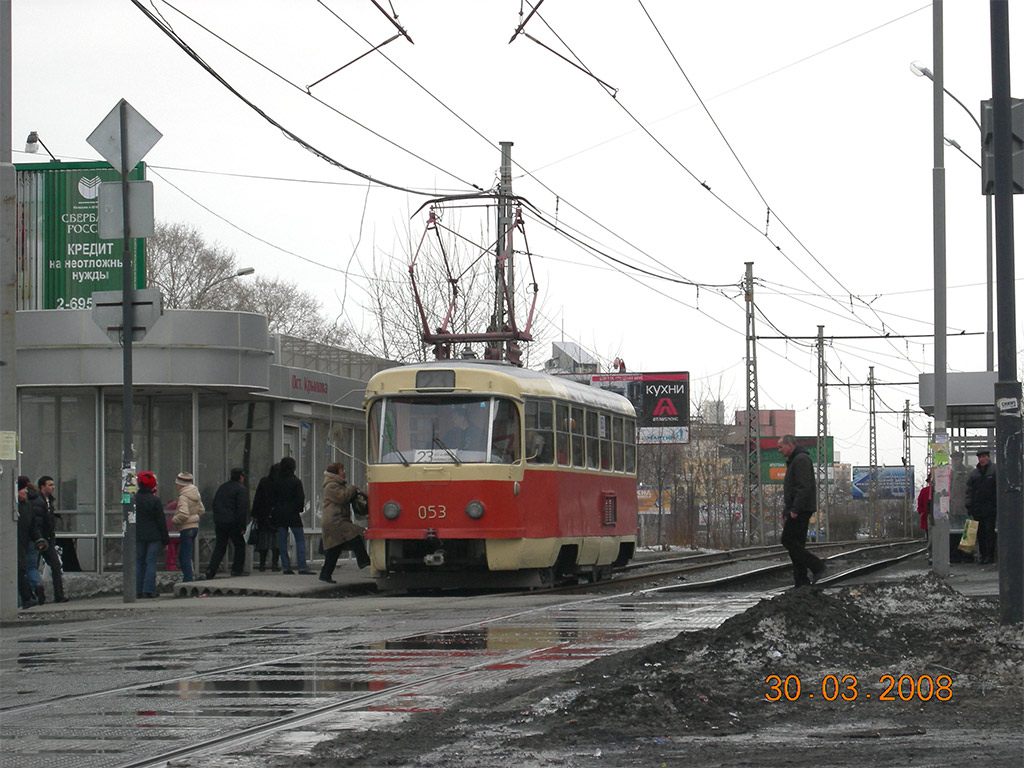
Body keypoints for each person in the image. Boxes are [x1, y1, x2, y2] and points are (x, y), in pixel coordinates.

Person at [778, 435, 826, 587]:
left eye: (781, 447)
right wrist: (787, 509)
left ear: (790, 446)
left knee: (788, 540)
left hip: (801, 509)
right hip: (797, 508)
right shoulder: (796, 460)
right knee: (797, 544)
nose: (779, 450)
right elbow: (793, 489)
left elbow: (803, 486)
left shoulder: (800, 460)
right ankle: (801, 581)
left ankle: (817, 566)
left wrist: (795, 509)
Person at [319, 462, 370, 583]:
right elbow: (342, 497)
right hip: (335, 521)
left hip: (337, 520)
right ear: (336, 473)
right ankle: (364, 561)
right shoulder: (331, 485)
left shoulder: (336, 484)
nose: (344, 473)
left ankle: (325, 575)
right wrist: (351, 489)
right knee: (355, 534)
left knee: (334, 549)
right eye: (342, 470)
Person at [206, 468, 250, 579]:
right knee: (239, 545)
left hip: (220, 521)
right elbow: (242, 509)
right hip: (233, 522)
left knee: (220, 546)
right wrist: (242, 526)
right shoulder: (241, 489)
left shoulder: (222, 488)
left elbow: (215, 504)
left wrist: (217, 519)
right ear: (240, 477)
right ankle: (237, 570)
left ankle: (211, 570)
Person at [271, 456, 312, 575]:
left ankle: (286, 567)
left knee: (282, 542)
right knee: (300, 540)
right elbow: (300, 498)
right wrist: (298, 509)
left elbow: (272, 498)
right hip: (293, 514)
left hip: (279, 514)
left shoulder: (276, 482)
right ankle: (302, 567)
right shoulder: (296, 482)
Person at [32, 475, 67, 603]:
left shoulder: (49, 501)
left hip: (47, 539)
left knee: (56, 566)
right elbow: (36, 522)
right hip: (38, 540)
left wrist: (51, 538)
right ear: (42, 487)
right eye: (50, 485)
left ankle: (59, 595)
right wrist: (39, 538)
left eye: (53, 484)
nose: (53, 487)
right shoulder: (37, 501)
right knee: (33, 567)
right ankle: (35, 595)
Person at [135, 471, 169, 598]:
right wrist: (165, 540)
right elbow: (161, 521)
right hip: (154, 536)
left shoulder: (133, 500)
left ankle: (137, 589)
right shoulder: (155, 500)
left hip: (138, 535)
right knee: (151, 562)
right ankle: (149, 589)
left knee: (139, 562)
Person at [965, 449, 997, 564]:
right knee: (981, 533)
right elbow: (969, 491)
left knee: (989, 532)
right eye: (980, 457)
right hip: (978, 508)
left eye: (983, 457)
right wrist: (969, 505)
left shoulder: (994, 470)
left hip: (991, 507)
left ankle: (990, 556)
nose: (982, 459)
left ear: (988, 457)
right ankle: (984, 556)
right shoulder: (974, 474)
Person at [171, 471, 205, 582]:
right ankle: (188, 577)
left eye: (177, 484)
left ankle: (188, 579)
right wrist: (194, 517)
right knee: (186, 553)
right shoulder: (195, 494)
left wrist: (174, 520)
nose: (176, 486)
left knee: (184, 556)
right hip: (194, 527)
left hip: (186, 528)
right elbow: (201, 510)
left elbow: (183, 514)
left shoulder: (183, 497)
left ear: (181, 484)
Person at [16, 477, 43, 608]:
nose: (26, 491)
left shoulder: (26, 506)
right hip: (13, 545)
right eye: (23, 489)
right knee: (20, 570)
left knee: (21, 570)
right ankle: (27, 597)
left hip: (22, 544)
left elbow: (33, 526)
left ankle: (27, 598)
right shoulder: (12, 507)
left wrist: (38, 539)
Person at [250, 463, 280, 571]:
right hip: (277, 516)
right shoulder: (281, 483)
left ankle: (262, 564)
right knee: (276, 542)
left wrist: (254, 514)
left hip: (263, 516)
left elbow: (257, 498)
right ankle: (275, 564)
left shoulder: (264, 481)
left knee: (264, 541)